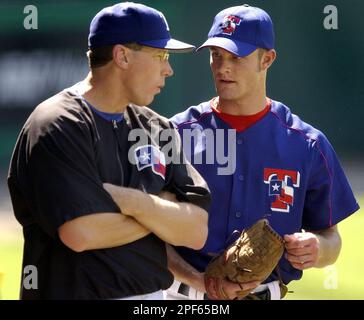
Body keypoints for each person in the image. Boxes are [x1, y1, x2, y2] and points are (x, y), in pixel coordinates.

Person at [7, 2, 210, 300]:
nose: (168, 69)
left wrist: (137, 203)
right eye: (160, 55)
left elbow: (195, 230)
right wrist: (161, 213)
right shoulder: (57, 124)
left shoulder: (157, 127)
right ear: (122, 56)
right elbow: (81, 233)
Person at [166, 4, 359, 300]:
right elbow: (145, 234)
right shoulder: (175, 134)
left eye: (236, 57)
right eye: (215, 55)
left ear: (267, 59)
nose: (222, 67)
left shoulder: (306, 145)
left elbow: (331, 239)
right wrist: (200, 280)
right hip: (183, 297)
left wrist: (317, 249)